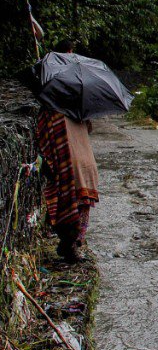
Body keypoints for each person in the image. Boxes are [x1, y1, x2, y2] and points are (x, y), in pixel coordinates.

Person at [37, 40, 99, 263]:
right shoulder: (78, 101)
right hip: (79, 161)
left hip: (69, 160)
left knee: (69, 202)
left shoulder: (53, 104)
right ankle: (70, 245)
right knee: (78, 204)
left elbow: (43, 133)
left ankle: (69, 244)